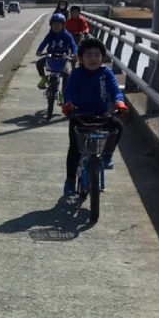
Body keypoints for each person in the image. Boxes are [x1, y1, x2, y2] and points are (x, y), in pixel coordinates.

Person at [61, 37, 128, 195]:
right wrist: (68, 105)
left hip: (102, 114)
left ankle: (107, 154)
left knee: (118, 126)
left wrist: (119, 102)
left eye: (97, 55)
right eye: (88, 55)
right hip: (80, 114)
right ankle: (70, 180)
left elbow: (116, 91)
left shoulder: (107, 73)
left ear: (102, 57)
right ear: (81, 58)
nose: (93, 58)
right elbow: (68, 92)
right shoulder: (77, 74)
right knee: (75, 148)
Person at [36, 12, 78, 98]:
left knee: (66, 75)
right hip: (50, 57)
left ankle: (63, 94)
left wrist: (74, 53)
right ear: (51, 25)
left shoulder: (67, 35)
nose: (56, 26)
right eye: (54, 24)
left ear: (63, 25)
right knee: (39, 63)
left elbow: (73, 45)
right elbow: (44, 43)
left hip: (63, 58)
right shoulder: (50, 35)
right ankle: (44, 78)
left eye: (59, 24)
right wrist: (39, 50)